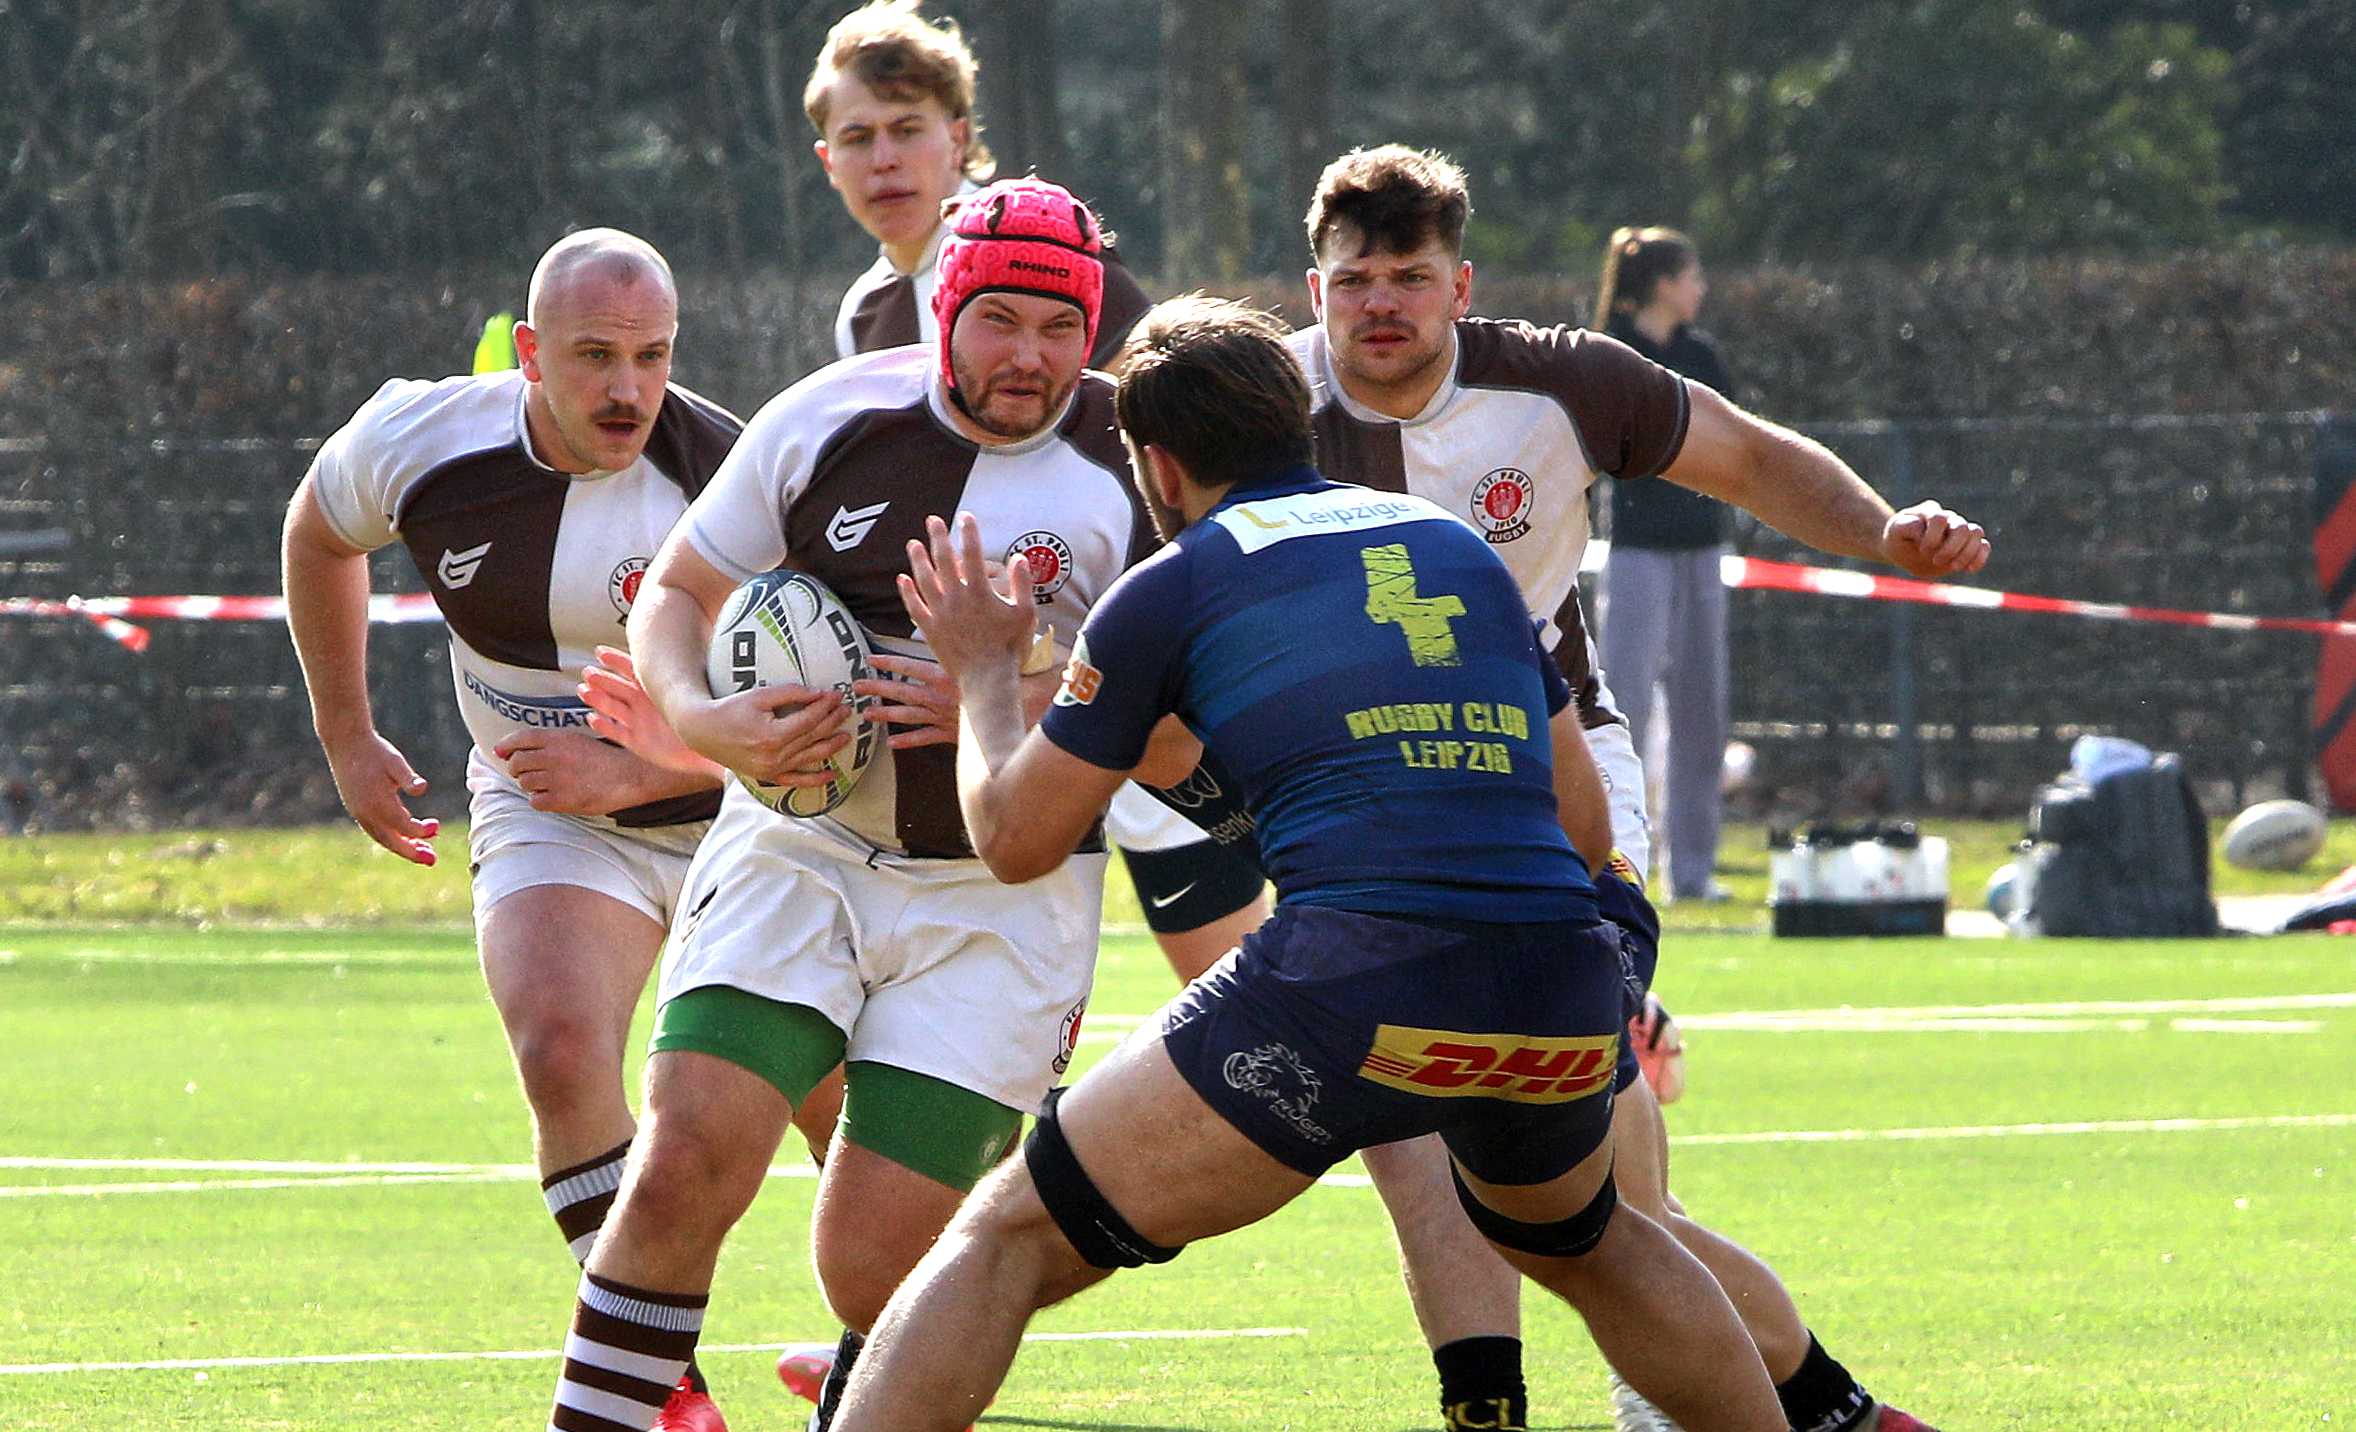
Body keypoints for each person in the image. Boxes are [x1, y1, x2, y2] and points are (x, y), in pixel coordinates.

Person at [829, 293, 1788, 1432]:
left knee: (1006, 1237)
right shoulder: (1452, 545)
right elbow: (1584, 829)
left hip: (1350, 987)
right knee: (1591, 1241)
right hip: (1557, 978)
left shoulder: (1171, 587)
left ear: (1157, 465)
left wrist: (987, 677)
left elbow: (1014, 839)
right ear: (1299, 421)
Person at [1284, 145, 1979, 1432]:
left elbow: (1750, 459)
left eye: (1411, 277)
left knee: (1587, 1178)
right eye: (1354, 278)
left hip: (1556, 786)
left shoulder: (1561, 383)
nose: (1381, 303)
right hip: (1360, 802)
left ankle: (1758, 1396)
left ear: (1460, 286)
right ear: (1311, 284)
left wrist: (1884, 531)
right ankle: (1550, 1401)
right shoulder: (1264, 403)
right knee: (1431, 1143)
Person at [539, 177, 1153, 1432]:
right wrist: (699, 716)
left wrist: (1005, 704)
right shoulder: (832, 414)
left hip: (1000, 896)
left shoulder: (1135, 461)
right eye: (998, 320)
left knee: (874, 1268)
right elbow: (677, 591)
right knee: (682, 1163)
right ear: (946, 309)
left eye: (1058, 328)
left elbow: (1185, 706)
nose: (1027, 356)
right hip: (801, 848)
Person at [280, 229, 740, 1432]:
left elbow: (809, 729)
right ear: (530, 352)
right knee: (559, 1043)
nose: (628, 388)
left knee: (825, 1113)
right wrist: (346, 735)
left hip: (740, 821)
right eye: (594, 356)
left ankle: (884, 1364)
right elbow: (318, 530)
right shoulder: (422, 438)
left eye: (651, 356)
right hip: (548, 810)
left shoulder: (731, 480)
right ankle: (660, 1383)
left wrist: (640, 767)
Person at [801, 0, 1268, 993]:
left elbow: (1187, 461)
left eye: (907, 129)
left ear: (960, 136)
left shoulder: (1047, 255)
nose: (885, 160)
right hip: (986, 724)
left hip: (1129, 696)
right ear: (826, 160)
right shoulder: (865, 313)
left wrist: (1087, 672)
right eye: (859, 137)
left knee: (1259, 1005)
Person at [1594, 226, 1738, 902]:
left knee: (1702, 711)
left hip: (1702, 550)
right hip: (1636, 555)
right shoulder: (1613, 354)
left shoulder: (1701, 356)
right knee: (1620, 708)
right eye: (1691, 276)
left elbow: (1731, 439)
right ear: (1661, 284)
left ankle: (1694, 872)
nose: (1700, 288)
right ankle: (1617, 863)